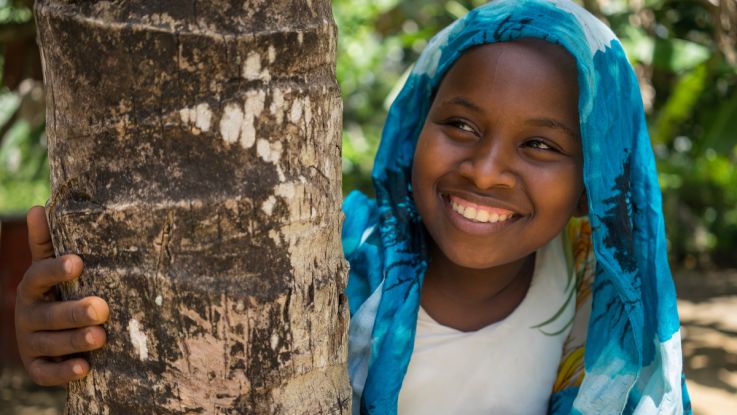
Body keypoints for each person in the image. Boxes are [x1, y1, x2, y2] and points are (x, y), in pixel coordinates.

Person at [16, 0, 691, 413]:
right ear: (412, 128)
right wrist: (58, 333)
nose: (485, 170)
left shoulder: (603, 309)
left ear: (593, 183)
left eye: (539, 143)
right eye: (458, 124)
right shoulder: (327, 256)